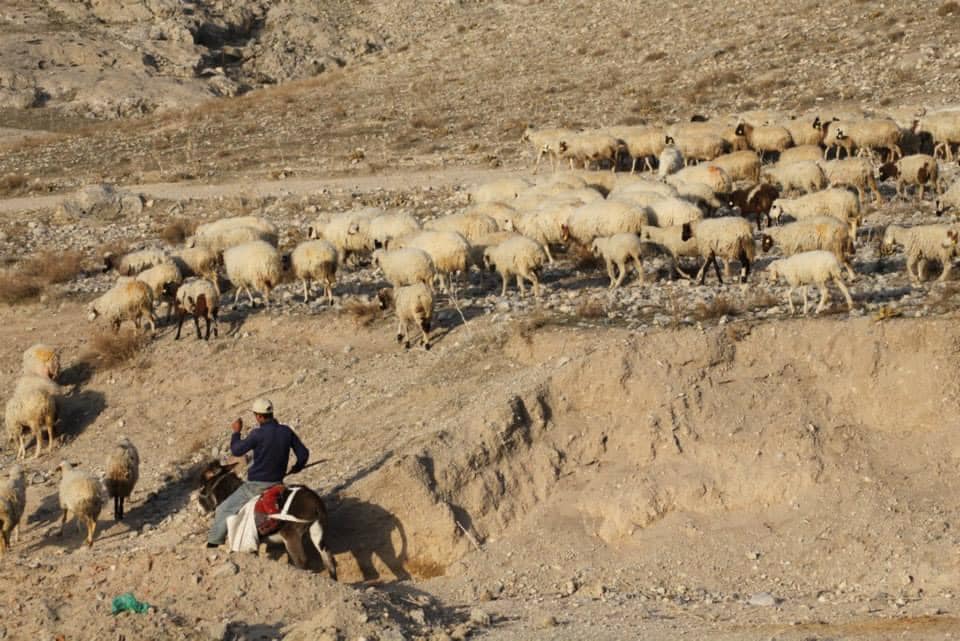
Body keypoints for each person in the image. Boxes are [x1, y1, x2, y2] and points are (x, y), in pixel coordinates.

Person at [206, 398, 309, 548]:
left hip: (256, 486)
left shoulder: (257, 434)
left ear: (259, 416)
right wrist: (298, 467)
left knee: (224, 508)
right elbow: (304, 454)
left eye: (255, 415)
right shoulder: (286, 431)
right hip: (278, 482)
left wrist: (236, 433)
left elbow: (237, 450)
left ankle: (214, 542)